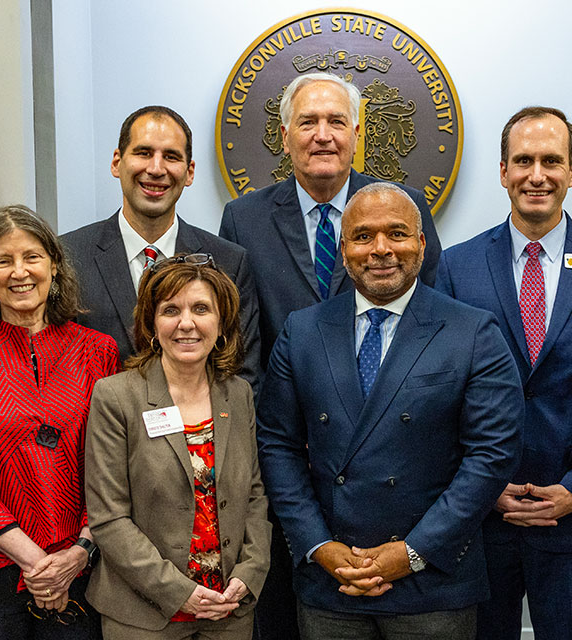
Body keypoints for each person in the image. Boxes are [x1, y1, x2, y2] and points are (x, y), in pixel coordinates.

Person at [218, 71, 444, 637]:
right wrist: (274, 445)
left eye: (337, 122)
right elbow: (243, 346)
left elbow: (429, 331)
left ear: (358, 133)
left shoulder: (402, 208)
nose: (323, 135)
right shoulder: (243, 219)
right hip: (287, 463)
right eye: (308, 122)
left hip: (388, 462)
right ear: (285, 135)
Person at [257, 183, 523, 640]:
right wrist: (319, 546)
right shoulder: (301, 332)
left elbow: (491, 455)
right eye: (362, 236)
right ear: (343, 251)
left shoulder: (473, 331)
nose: (380, 249)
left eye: (396, 233)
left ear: (421, 244)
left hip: (433, 584)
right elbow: (276, 446)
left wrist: (414, 551)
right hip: (331, 583)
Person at [435, 106, 572, 640]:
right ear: (503, 171)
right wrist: (484, 486)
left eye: (551, 160)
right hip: (481, 518)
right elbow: (439, 390)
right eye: (523, 160)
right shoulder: (455, 267)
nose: (537, 175)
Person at [0, 204, 120, 639]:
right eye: (3, 260)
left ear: (54, 264)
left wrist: (79, 553)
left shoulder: (99, 351)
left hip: (86, 567)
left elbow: (115, 466)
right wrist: (36, 562)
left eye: (32, 256)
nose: (20, 272)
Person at [85, 254, 272, 639]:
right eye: (171, 310)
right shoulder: (116, 396)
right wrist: (179, 593)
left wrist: (249, 574)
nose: (186, 323)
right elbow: (109, 518)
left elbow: (253, 495)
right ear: (152, 324)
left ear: (221, 324)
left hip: (228, 610)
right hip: (144, 615)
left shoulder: (238, 395)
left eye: (201, 309)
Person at [61, 105, 260, 390]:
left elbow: (242, 376)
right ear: (117, 162)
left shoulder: (229, 262)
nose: (156, 169)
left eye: (171, 156)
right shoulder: (68, 257)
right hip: (98, 432)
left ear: (189, 172)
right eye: (143, 153)